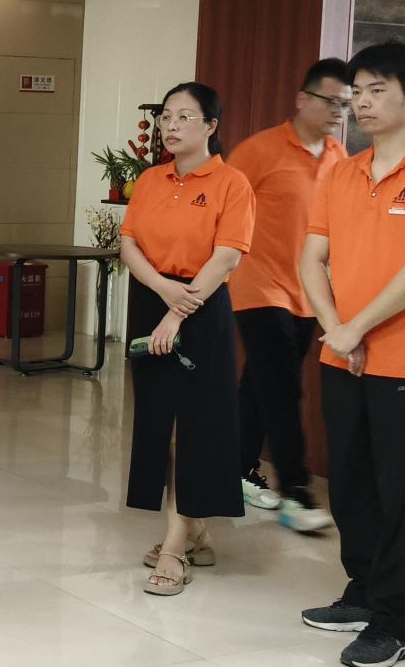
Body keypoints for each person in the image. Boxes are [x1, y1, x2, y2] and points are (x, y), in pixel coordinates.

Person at [298, 40, 405, 667]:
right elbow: (310, 259)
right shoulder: (341, 172)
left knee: (404, 492)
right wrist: (336, 330)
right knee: (351, 484)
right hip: (343, 354)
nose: (362, 103)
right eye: (357, 93)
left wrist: (355, 328)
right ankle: (365, 591)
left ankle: (398, 620)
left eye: (377, 90)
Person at [120, 82, 255, 596]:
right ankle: (194, 531)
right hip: (152, 298)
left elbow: (227, 257)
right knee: (162, 425)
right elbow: (129, 244)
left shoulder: (231, 183)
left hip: (201, 307)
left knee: (194, 428)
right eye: (165, 117)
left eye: (184, 117)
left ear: (211, 126)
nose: (170, 126)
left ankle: (175, 549)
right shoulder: (150, 180)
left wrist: (176, 313)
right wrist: (161, 290)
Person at [227, 57, 351, 533]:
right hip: (256, 284)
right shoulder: (260, 150)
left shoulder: (339, 158)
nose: (338, 111)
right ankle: (295, 492)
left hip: (307, 291)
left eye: (345, 103)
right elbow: (223, 204)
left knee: (260, 384)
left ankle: (233, 469)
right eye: (330, 101)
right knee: (282, 384)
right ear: (302, 99)